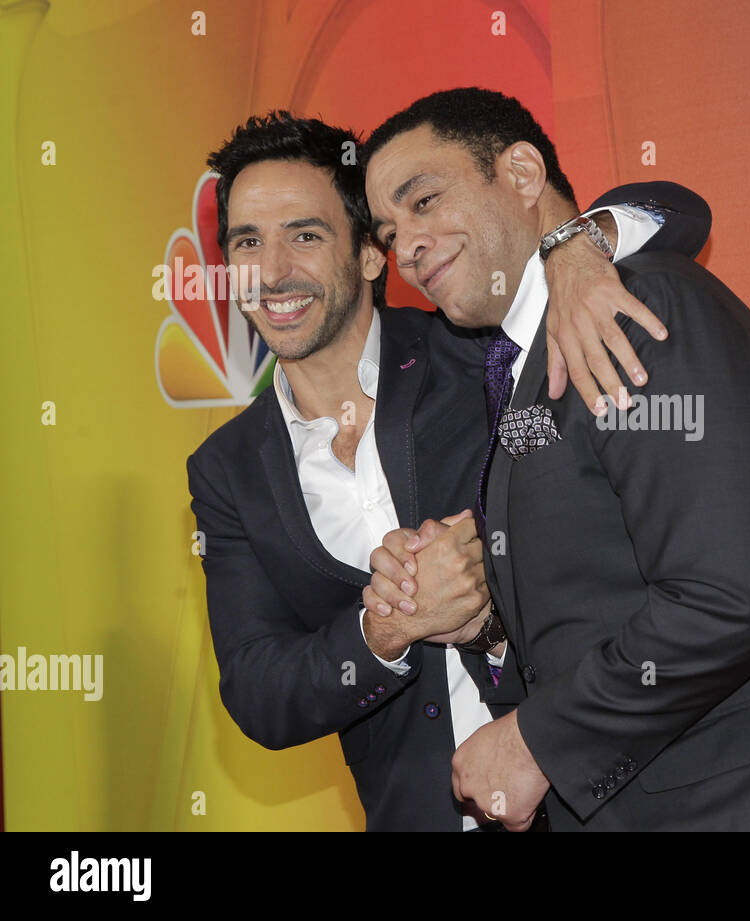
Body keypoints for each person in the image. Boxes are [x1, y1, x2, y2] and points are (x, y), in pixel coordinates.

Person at [363, 87, 750, 831]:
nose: (408, 246)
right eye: (390, 231)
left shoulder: (632, 309)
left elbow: (731, 597)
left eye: (424, 200)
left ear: (521, 173)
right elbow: (603, 608)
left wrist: (536, 742)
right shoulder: (527, 362)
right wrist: (483, 627)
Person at [187, 110, 712, 831]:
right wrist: (386, 629)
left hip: (595, 799)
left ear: (373, 255)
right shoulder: (226, 468)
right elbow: (259, 691)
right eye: (248, 242)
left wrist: (578, 246)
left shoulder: (478, 346)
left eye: (304, 235)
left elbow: (678, 210)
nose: (272, 271)